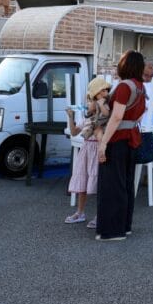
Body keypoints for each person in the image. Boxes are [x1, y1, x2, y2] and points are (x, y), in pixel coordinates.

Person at [96, 50, 146, 242]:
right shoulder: (141, 87)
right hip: (133, 138)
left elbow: (116, 116)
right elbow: (141, 113)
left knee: (112, 185)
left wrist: (104, 143)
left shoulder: (124, 87)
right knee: (126, 184)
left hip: (118, 140)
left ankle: (112, 231)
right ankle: (124, 227)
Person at [63, 78, 111, 229]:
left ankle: (100, 215)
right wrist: (70, 117)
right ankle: (80, 212)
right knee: (82, 183)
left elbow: (107, 113)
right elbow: (74, 131)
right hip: (86, 151)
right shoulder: (87, 118)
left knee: (98, 185)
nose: (88, 105)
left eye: (90, 102)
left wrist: (100, 101)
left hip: (98, 150)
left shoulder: (103, 116)